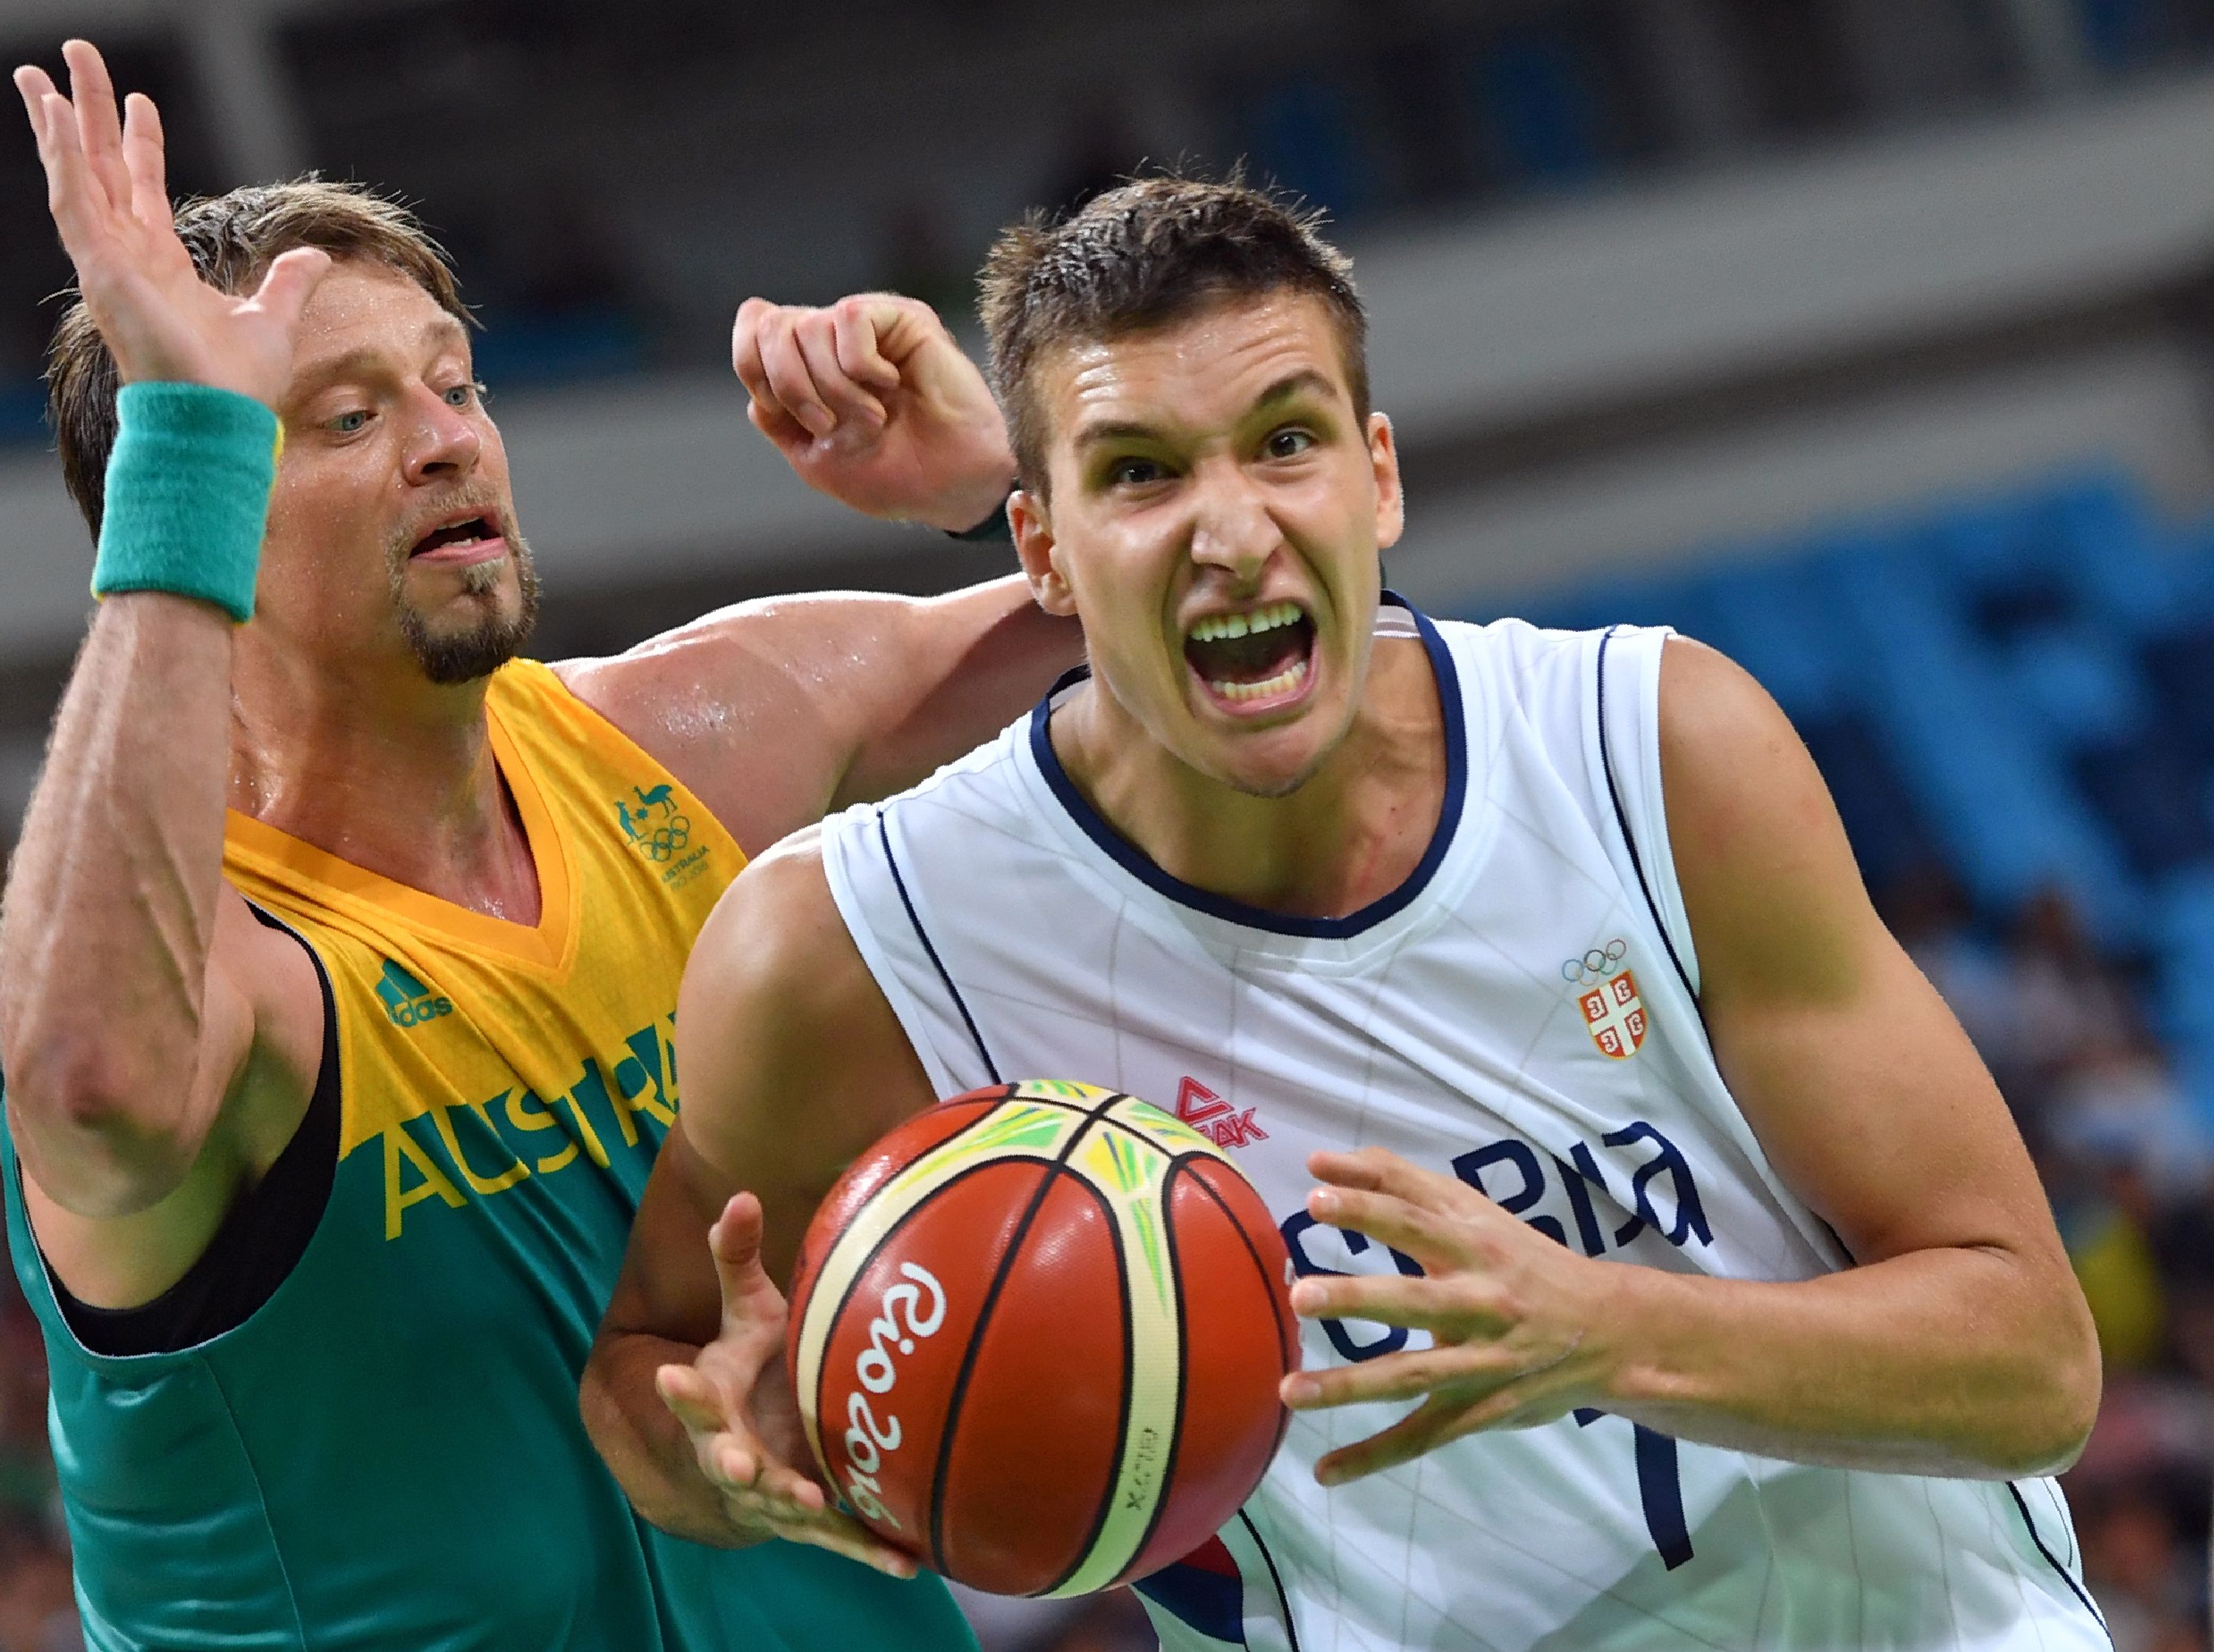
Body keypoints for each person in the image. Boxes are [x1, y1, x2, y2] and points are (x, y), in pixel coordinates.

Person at [586, 177, 2113, 1650]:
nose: (1232, 526)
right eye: (1140, 471)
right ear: (1035, 541)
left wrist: (1608, 1326)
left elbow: (2033, 1358)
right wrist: (722, 1464)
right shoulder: (853, 944)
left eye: (1284, 442)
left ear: (1375, 475)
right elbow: (658, 1370)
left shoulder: (1652, 749)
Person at [0, 41, 1074, 1652]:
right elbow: (90, 1079)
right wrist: (184, 444)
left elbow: (1194, 651)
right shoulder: (223, 971)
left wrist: (1006, 490)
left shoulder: (677, 743)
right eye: (343, 414)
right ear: (197, 491)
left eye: (453, 381)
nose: (446, 440)